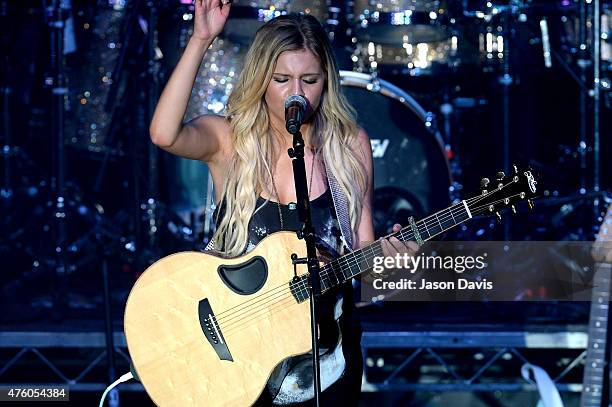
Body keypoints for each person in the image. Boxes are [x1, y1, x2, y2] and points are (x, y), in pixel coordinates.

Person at [149, 1, 418, 405]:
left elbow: (362, 250)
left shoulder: (348, 145)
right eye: (281, 79)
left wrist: (393, 261)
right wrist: (201, 40)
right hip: (243, 354)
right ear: (260, 79)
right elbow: (164, 134)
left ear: (326, 80)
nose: (297, 93)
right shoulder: (230, 142)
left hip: (326, 357)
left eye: (309, 79)